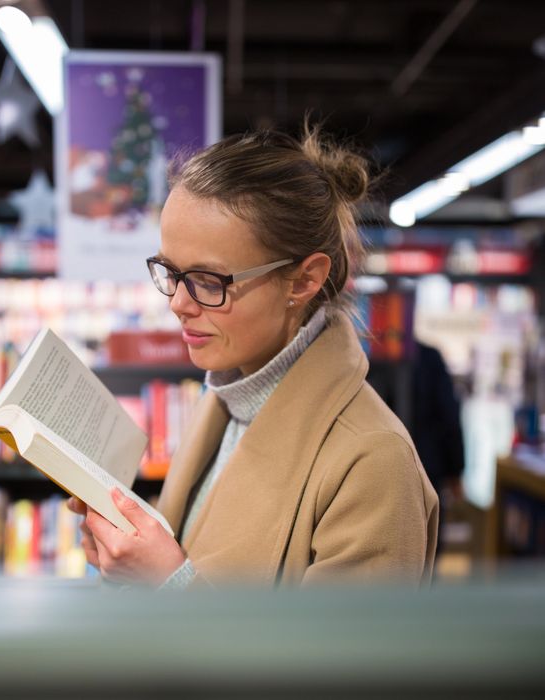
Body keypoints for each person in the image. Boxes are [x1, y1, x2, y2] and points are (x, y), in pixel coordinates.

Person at [68, 125, 439, 588]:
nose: (178, 303)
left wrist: (167, 583)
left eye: (208, 280)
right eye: (170, 271)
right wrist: (128, 556)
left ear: (304, 281)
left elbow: (350, 658)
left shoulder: (374, 461)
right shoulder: (227, 397)